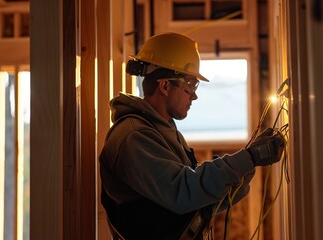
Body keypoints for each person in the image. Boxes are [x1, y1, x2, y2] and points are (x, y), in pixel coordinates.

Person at [99, 32, 284, 240]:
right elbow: (183, 192)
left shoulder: (163, 131)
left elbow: (200, 200)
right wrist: (248, 157)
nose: (194, 95)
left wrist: (248, 165)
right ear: (165, 85)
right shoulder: (133, 138)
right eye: (190, 84)